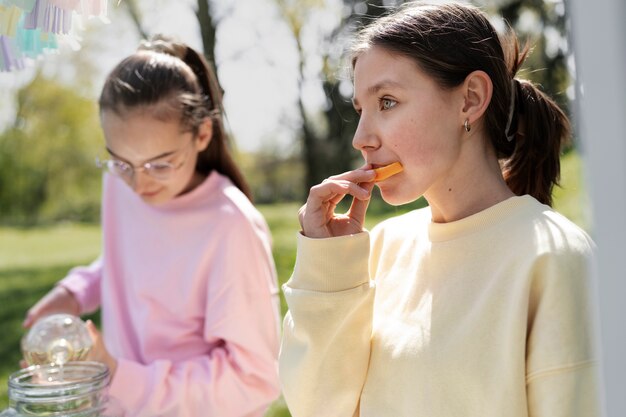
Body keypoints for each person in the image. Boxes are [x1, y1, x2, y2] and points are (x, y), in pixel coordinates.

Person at [278, 2, 602, 417]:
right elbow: (317, 408)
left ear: (470, 99)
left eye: (388, 102)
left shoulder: (556, 260)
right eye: (360, 110)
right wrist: (329, 271)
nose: (361, 138)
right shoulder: (378, 250)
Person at [23, 35, 281, 417]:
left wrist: (118, 376)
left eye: (160, 164)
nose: (140, 184)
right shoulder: (120, 182)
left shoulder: (231, 227)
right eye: (121, 162)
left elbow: (255, 381)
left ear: (202, 135)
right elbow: (134, 257)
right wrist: (76, 291)